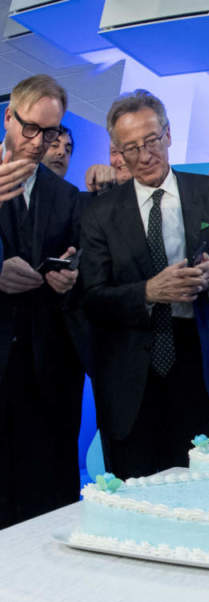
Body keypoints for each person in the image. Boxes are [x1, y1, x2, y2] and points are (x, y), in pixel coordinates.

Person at [79, 89, 209, 480]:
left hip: (195, 363)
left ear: (168, 134)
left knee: (199, 485)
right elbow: (92, 297)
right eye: (131, 148)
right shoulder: (99, 211)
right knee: (133, 491)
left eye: (151, 140)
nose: (144, 155)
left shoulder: (206, 194)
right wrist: (149, 292)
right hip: (129, 373)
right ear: (117, 151)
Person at [0, 75, 85, 527]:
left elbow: (83, 264)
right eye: (31, 128)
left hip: (48, 367)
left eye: (51, 133)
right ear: (8, 117)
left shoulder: (67, 196)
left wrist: (70, 275)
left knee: (45, 498)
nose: (39, 143)